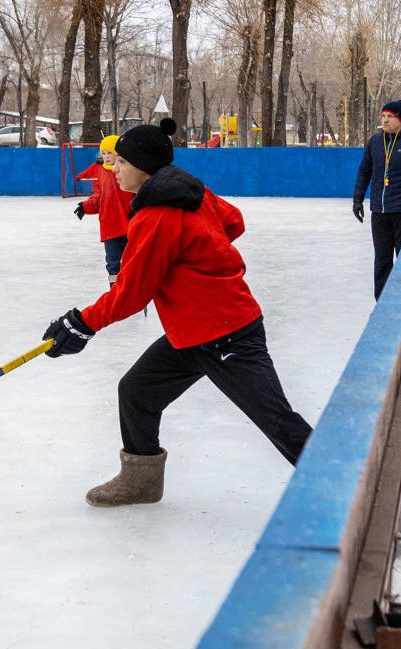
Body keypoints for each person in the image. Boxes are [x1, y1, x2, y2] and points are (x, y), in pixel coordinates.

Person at [43, 118, 312, 508]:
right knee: (136, 392)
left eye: (120, 162)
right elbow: (232, 220)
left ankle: (348, 488)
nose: (113, 169)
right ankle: (141, 481)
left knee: (276, 419)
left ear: (143, 167)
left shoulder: (157, 217)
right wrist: (195, 258)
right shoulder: (191, 192)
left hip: (228, 333)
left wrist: (80, 324)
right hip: (192, 332)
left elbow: (131, 293)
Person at [353, 100, 401, 299]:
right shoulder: (375, 142)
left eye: (389, 116)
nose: (384, 120)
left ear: (400, 119)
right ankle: (382, 304)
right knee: (382, 261)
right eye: (383, 116)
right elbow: (364, 172)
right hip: (379, 213)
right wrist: (357, 199)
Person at [74, 134, 134, 288]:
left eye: (110, 153)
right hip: (110, 225)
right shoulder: (101, 171)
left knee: (131, 261)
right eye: (104, 153)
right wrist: (86, 206)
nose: (106, 157)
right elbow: (100, 196)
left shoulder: (128, 170)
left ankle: (133, 289)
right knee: (113, 263)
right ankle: (115, 293)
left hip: (129, 225)